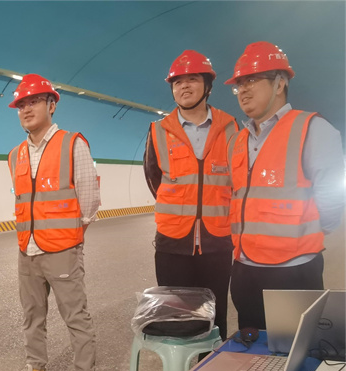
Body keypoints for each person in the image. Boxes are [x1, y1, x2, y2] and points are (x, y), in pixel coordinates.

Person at [224, 42, 345, 330]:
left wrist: (307, 235)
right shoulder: (237, 140)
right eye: (239, 84)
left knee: (294, 349)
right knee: (253, 349)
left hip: (294, 270)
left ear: (280, 83)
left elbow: (332, 197)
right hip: (244, 269)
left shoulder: (313, 129)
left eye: (252, 80)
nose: (243, 90)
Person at [5, 74, 100, 371]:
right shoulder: (15, 154)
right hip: (26, 250)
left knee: (75, 316)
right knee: (32, 315)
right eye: (21, 104)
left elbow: (89, 200)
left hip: (63, 250)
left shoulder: (72, 144)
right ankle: (36, 370)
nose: (26, 109)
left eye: (33, 102)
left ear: (52, 105)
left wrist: (71, 237)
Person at [143, 50, 239, 340]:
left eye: (192, 79)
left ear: (207, 86)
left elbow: (238, 180)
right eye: (177, 82)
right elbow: (154, 179)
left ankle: (211, 369)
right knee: (177, 320)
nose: (184, 86)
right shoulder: (159, 130)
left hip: (217, 241)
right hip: (172, 244)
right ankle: (181, 370)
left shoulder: (230, 127)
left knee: (215, 318)